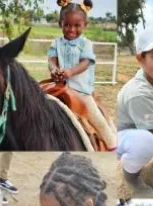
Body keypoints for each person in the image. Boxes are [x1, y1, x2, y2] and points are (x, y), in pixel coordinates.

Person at [48, 0, 116, 151]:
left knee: (98, 121)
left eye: (77, 25)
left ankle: (113, 146)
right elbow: (51, 61)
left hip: (81, 91)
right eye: (67, 25)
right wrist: (54, 70)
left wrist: (70, 72)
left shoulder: (85, 44)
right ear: (61, 23)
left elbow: (85, 62)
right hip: (60, 87)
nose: (71, 29)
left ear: (85, 24)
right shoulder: (56, 43)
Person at [117, 25, 153, 196]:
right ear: (141, 58)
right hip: (129, 138)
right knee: (146, 142)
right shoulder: (137, 94)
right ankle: (131, 178)